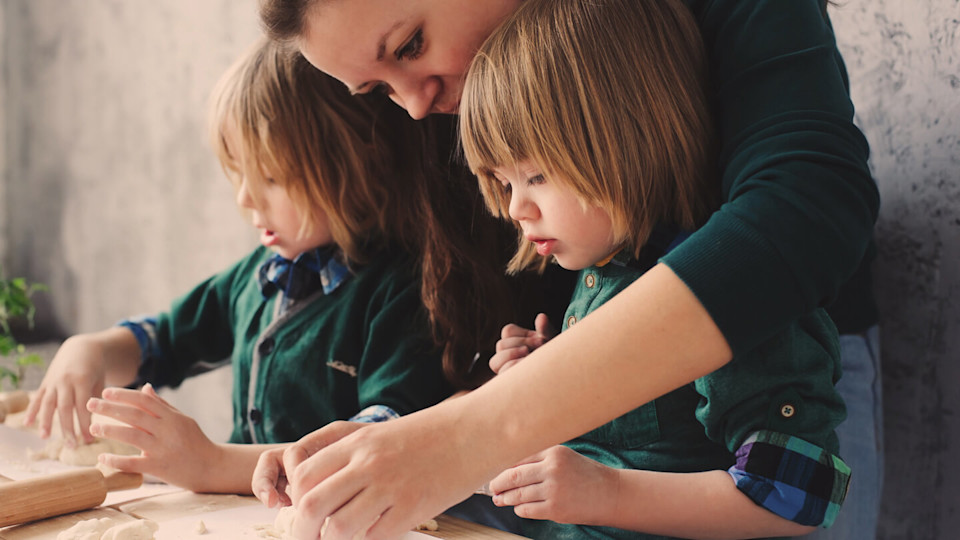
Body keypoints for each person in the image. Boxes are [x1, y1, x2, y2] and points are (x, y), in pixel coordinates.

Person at [251, 0, 881, 538]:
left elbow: (803, 210)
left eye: (412, 44)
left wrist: (467, 437)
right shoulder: (579, 258)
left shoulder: (776, 355)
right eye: (379, 90)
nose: (414, 107)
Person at [459, 0, 849, 537]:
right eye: (505, 184)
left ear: (628, 137)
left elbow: (796, 496)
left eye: (537, 175)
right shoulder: (603, 274)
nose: (514, 208)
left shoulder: (741, 302)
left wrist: (605, 492)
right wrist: (547, 377)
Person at [21, 37, 454, 493]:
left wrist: (211, 464)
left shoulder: (405, 293)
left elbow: (378, 445)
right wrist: (90, 352)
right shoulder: (257, 276)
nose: (245, 198)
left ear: (356, 164)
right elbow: (165, 341)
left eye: (270, 176)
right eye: (238, 172)